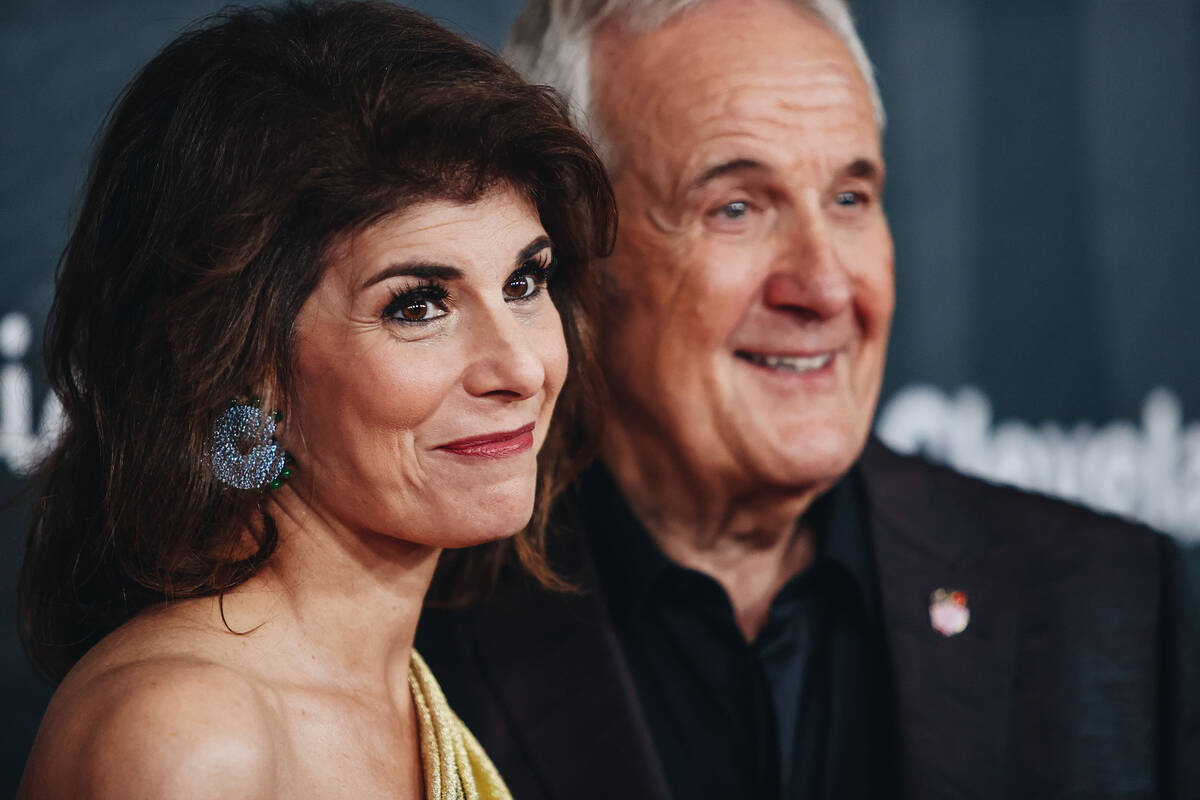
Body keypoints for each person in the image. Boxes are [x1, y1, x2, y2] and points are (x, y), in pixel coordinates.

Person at [416, 0, 1200, 798]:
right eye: (736, 208)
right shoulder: (416, 633)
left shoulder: (1105, 603)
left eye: (851, 199)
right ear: (573, 252)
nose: (825, 286)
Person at [16, 2, 614, 798]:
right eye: (418, 305)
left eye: (523, 282)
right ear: (239, 362)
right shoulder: (189, 739)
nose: (521, 368)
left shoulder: (395, 689)